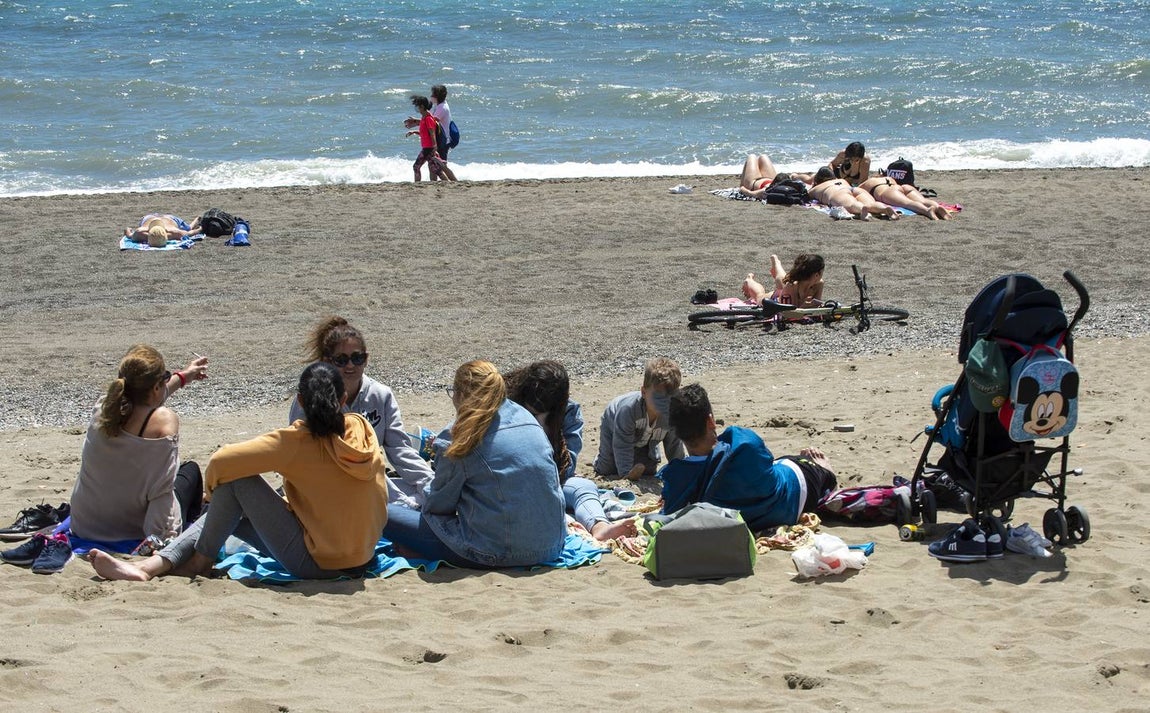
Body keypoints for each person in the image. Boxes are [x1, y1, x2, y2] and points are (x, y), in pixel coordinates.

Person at [87, 362, 389, 581]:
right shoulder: (362, 429)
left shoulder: (295, 441)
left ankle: (186, 565)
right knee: (230, 509)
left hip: (321, 564)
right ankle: (156, 566)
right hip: (362, 556)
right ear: (343, 400)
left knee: (235, 486)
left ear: (299, 401)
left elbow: (222, 462)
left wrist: (210, 492)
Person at [382, 360, 566, 568]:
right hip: (551, 545)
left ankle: (422, 549)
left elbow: (438, 506)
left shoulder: (460, 436)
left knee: (381, 513)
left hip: (497, 552)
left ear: (460, 395)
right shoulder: (526, 418)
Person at [68, 344, 209, 545]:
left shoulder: (105, 407)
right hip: (133, 530)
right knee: (190, 472)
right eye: (165, 378)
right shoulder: (163, 424)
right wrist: (159, 541)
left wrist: (185, 376)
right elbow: (162, 492)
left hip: (85, 525)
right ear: (155, 388)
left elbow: (146, 398)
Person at [290, 316, 433, 508]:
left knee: (426, 493)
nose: (350, 365)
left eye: (357, 358)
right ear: (327, 362)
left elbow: (399, 449)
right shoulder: (311, 399)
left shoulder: (381, 395)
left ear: (366, 359)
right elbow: (300, 456)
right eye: (341, 360)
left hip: (374, 484)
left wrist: (431, 483)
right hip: (329, 490)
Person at [658, 384, 838, 533]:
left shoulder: (677, 476)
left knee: (778, 464)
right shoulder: (744, 442)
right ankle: (826, 469)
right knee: (795, 464)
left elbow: (670, 511)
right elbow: (765, 462)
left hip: (754, 517)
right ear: (710, 421)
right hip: (794, 496)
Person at [505, 360, 636, 542]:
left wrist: (546, 429)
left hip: (553, 480)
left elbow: (567, 466)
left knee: (585, 487)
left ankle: (600, 527)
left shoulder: (569, 413)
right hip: (511, 480)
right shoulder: (506, 406)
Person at [593, 358, 687, 481]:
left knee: (648, 470)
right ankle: (598, 460)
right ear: (643, 392)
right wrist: (626, 475)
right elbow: (622, 445)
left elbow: (674, 445)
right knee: (607, 468)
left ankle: (647, 450)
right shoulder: (628, 410)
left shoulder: (671, 415)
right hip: (614, 426)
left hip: (647, 435)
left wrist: (681, 472)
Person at [808, 167, 899, 220]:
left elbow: (808, 195)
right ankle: (884, 209)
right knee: (871, 204)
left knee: (853, 204)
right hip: (853, 189)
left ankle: (862, 209)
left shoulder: (816, 188)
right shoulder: (841, 180)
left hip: (837, 193)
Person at [741, 253, 825, 307]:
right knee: (759, 295)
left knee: (785, 280)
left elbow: (817, 305)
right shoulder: (792, 286)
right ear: (816, 275)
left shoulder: (819, 284)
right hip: (775, 300)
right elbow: (789, 313)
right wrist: (803, 307)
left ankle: (777, 263)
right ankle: (749, 280)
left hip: (785, 294)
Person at [858, 176, 951, 220]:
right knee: (923, 200)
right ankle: (938, 207)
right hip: (903, 187)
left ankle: (927, 211)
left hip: (888, 192)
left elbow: (856, 192)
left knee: (908, 203)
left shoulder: (866, 183)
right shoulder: (887, 177)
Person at [736, 154, 815, 199]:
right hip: (770, 179)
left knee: (752, 157)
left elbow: (749, 193)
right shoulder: (793, 189)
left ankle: (742, 182)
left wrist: (742, 188)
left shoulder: (765, 191)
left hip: (753, 182)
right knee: (763, 157)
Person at [405, 94, 445, 182]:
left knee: (416, 167)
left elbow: (432, 133)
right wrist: (414, 132)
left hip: (428, 149)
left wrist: (434, 147)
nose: (416, 108)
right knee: (436, 170)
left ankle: (417, 185)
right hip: (427, 148)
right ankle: (448, 183)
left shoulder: (428, 119)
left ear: (422, 106)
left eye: (417, 106)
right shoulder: (423, 118)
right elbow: (425, 134)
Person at [123, 214, 203, 247]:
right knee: (187, 229)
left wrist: (200, 229)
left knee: (188, 228)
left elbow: (127, 232)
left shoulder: (140, 233)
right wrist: (200, 229)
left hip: (155, 218)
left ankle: (196, 221)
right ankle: (195, 222)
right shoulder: (174, 233)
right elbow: (191, 233)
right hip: (158, 218)